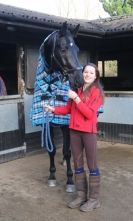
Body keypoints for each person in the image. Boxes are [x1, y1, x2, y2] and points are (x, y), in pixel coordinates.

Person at [45, 62, 104, 212]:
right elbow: (67, 109)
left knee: (92, 165)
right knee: (77, 164)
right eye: (86, 72)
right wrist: (53, 109)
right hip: (74, 131)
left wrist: (76, 98)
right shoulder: (76, 90)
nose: (88, 75)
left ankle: (94, 199)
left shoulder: (97, 92)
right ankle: (81, 196)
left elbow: (90, 114)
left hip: (88, 132)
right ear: (82, 73)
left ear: (96, 76)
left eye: (91, 73)